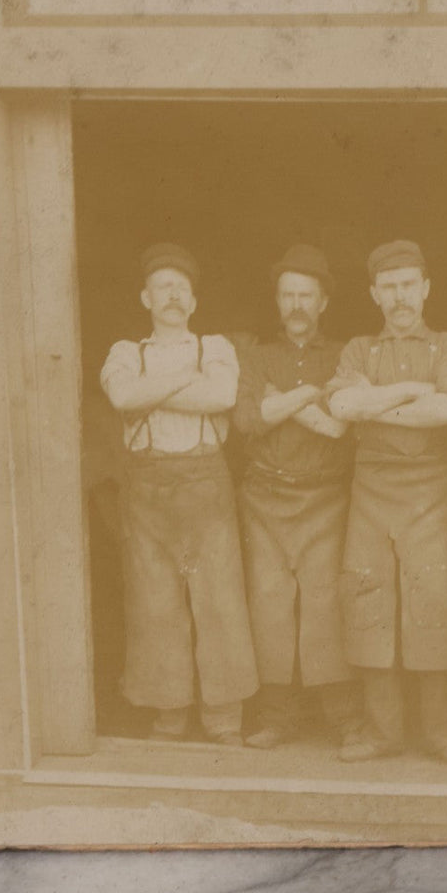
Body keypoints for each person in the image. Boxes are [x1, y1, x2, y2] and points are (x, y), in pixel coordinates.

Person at [99, 242, 258, 744]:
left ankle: (223, 717)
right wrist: (185, 379)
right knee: (155, 602)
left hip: (205, 484)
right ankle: (169, 713)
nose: (173, 295)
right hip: (147, 491)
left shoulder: (216, 348)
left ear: (194, 301)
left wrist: (158, 387)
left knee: (219, 601)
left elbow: (223, 395)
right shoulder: (125, 353)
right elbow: (123, 396)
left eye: (182, 288)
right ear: (145, 298)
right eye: (163, 287)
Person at [325, 240, 447, 769]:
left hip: (432, 489)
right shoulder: (357, 350)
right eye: (389, 287)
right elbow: (343, 405)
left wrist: (377, 402)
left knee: (434, 600)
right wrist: (413, 390)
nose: (400, 296)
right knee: (371, 602)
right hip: (371, 491)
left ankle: (441, 735)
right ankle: (383, 733)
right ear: (374, 294)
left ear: (426, 288)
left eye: (409, 284)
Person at [232, 244, 363, 750]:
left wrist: (281, 401)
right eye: (287, 295)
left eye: (306, 295)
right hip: (265, 497)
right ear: (277, 302)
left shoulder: (344, 354)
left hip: (327, 497)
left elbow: (343, 426)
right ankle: (277, 718)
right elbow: (247, 419)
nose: (296, 306)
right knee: (269, 604)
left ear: (323, 302)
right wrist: (313, 396)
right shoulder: (256, 356)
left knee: (326, 604)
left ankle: (346, 719)